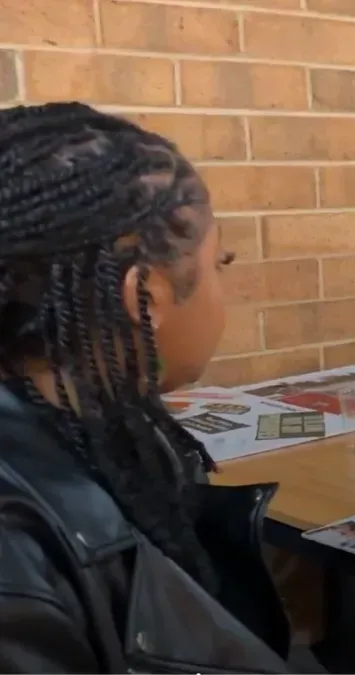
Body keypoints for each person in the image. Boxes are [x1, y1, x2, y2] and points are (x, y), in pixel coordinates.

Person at [0, 103, 297, 672]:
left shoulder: (112, 438)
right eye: (219, 264)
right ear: (145, 299)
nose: (223, 284)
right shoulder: (15, 561)